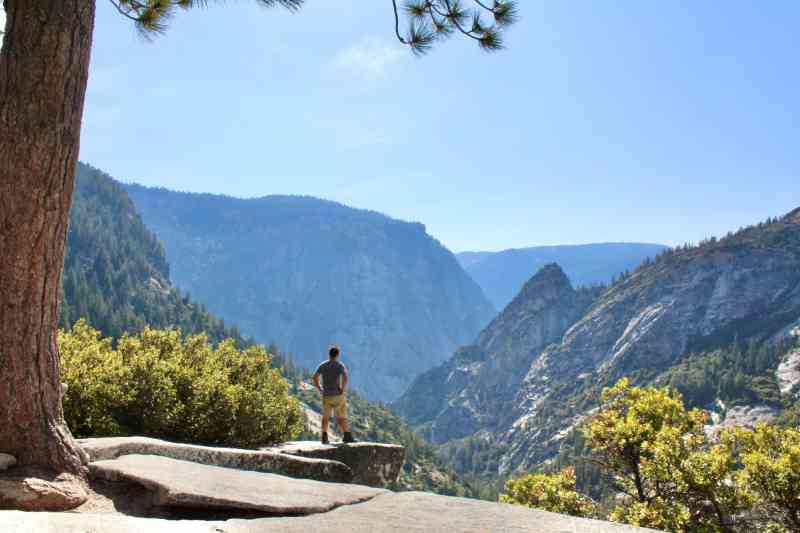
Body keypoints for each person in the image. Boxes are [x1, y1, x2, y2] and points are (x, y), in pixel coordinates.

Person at [313, 345, 355, 445]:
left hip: (326, 395)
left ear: (329, 354)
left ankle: (324, 437)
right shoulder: (340, 365)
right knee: (341, 416)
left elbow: (315, 377)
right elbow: (345, 377)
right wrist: (342, 389)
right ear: (338, 355)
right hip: (337, 395)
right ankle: (346, 436)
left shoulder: (323, 365)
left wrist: (320, 389)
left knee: (326, 417)